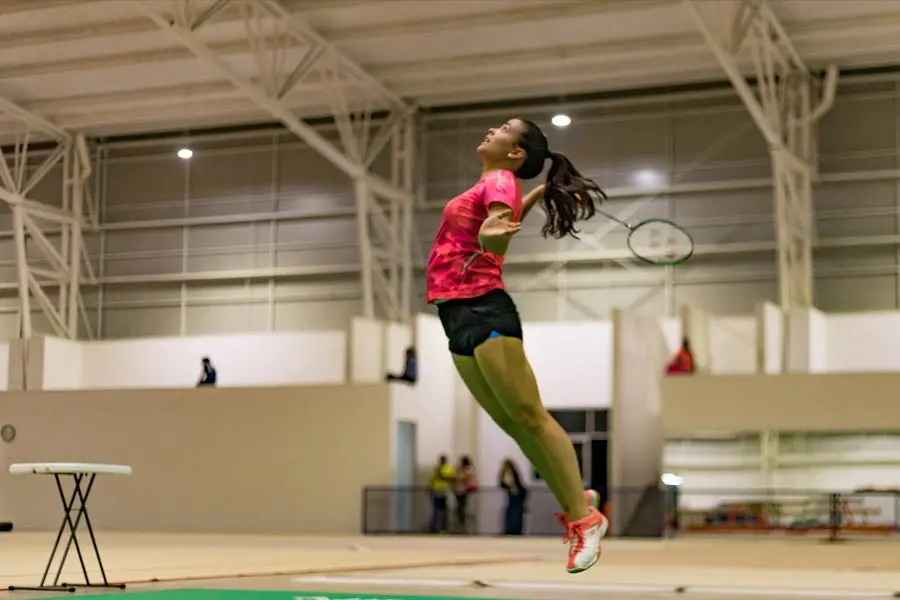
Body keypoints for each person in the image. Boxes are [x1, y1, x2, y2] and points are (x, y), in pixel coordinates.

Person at [425, 118, 608, 574]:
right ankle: (577, 495)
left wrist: (494, 234)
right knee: (513, 423)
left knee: (530, 416)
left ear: (516, 153)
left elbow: (494, 236)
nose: (491, 129)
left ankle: (585, 520)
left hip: (484, 309)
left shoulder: (500, 181)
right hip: (455, 316)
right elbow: (496, 221)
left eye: (504, 128)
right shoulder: (497, 184)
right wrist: (539, 196)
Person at [428, 454, 456, 534]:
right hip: (437, 491)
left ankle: (444, 527)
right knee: (436, 510)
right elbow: (432, 479)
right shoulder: (436, 468)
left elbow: (452, 478)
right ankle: (434, 527)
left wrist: (444, 476)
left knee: (445, 511)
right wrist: (430, 488)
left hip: (446, 491)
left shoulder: (449, 468)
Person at [499, 459, 528, 535]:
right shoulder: (512, 473)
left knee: (515, 512)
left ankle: (513, 529)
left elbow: (508, 483)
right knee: (514, 512)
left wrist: (511, 488)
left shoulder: (509, 474)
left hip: (516, 494)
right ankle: (513, 529)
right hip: (515, 494)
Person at [453, 455, 478, 533]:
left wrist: (460, 476)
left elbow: (463, 478)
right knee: (460, 507)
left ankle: (465, 526)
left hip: (465, 490)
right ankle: (461, 523)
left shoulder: (468, 469)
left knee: (464, 507)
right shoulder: (460, 470)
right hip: (459, 491)